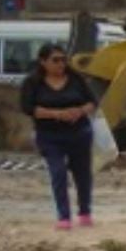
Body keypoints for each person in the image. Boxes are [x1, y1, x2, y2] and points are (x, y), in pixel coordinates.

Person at [18, 43, 97, 231]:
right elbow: (28, 108)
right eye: (55, 60)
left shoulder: (76, 79)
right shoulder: (32, 82)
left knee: (82, 174)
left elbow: (92, 102)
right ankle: (63, 216)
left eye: (63, 60)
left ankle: (84, 211)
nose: (60, 64)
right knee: (58, 172)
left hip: (79, 133)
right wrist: (56, 114)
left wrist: (79, 111)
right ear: (43, 61)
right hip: (50, 135)